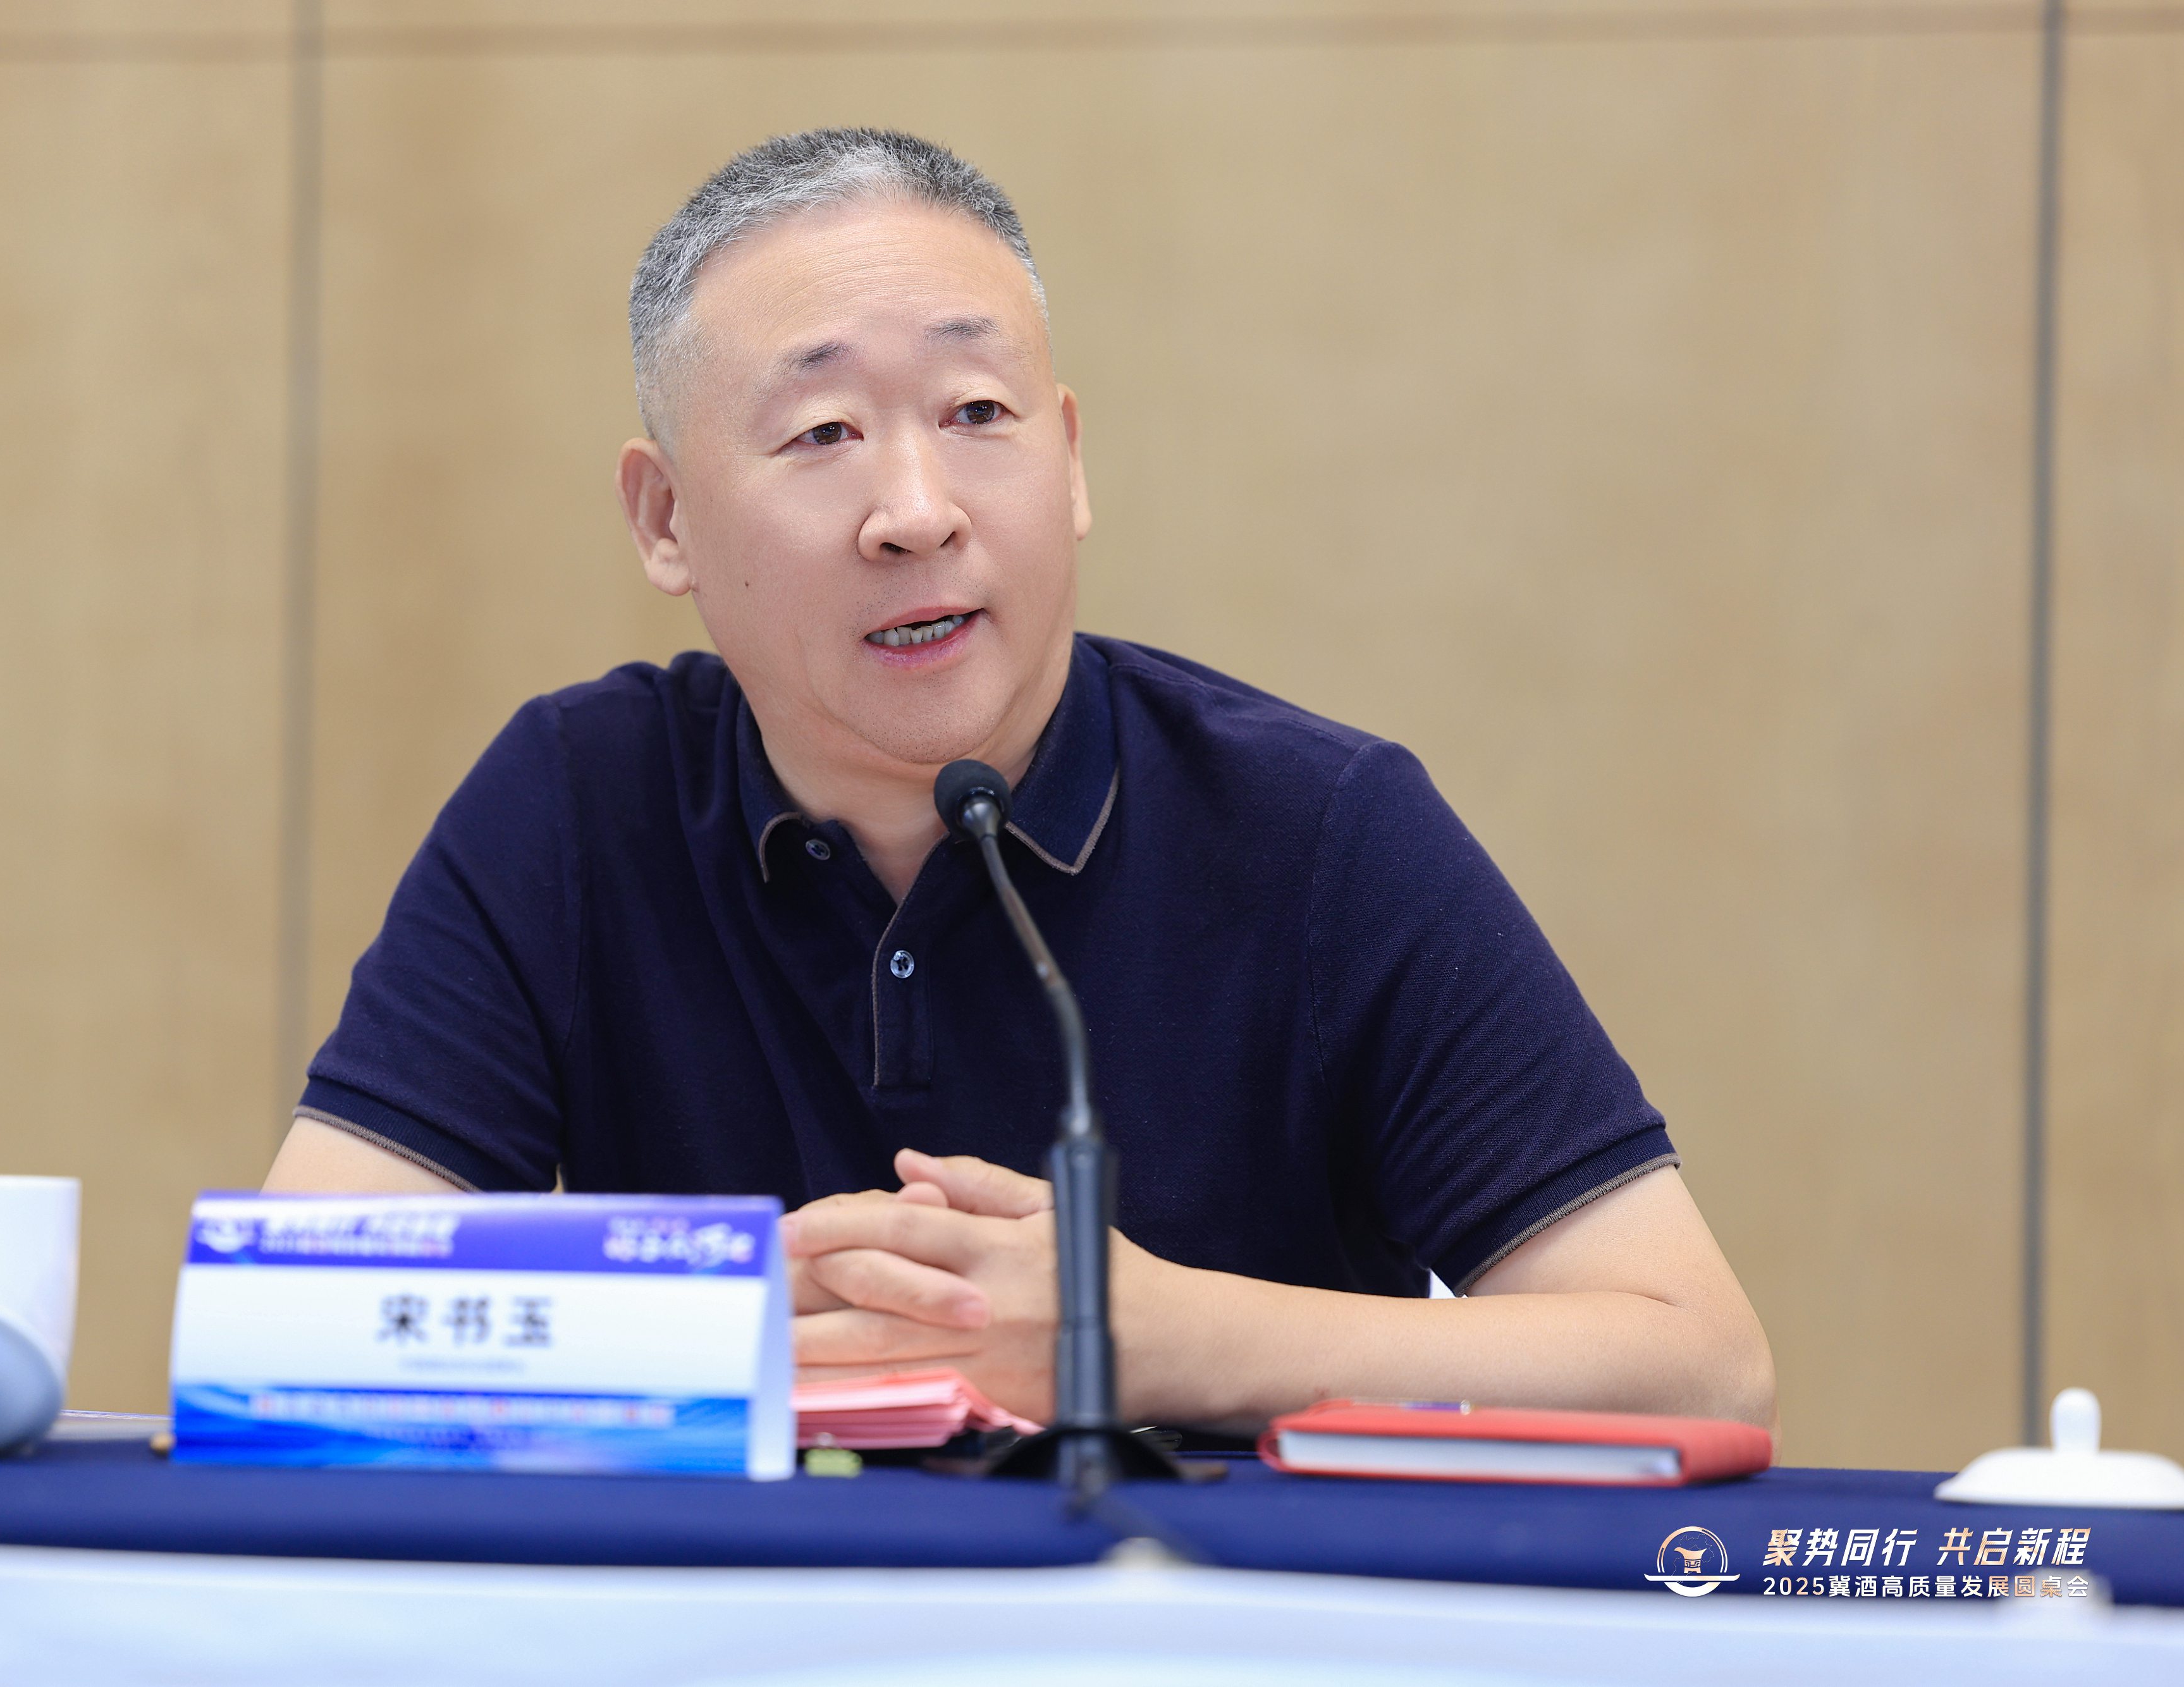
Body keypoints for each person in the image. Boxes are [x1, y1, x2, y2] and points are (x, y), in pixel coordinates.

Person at [265, 128, 1775, 1437]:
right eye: (822, 432)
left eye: (976, 415)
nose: (915, 511)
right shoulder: (573, 802)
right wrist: (708, 1313)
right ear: (664, 520)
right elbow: (287, 1322)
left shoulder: (1321, 829)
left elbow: (1699, 1363)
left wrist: (1154, 1334)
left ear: (1068, 459)